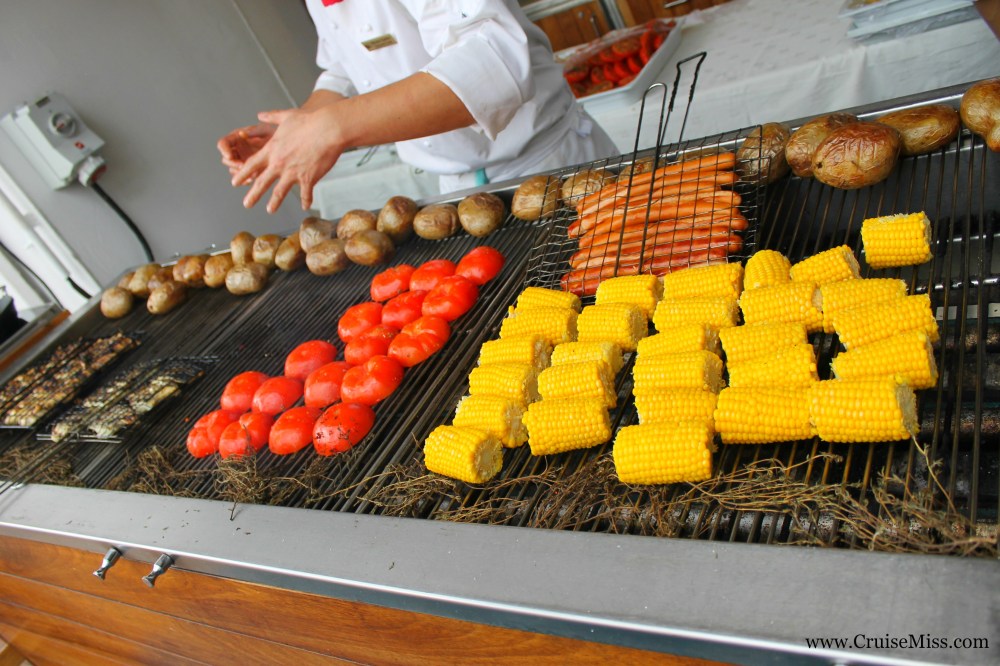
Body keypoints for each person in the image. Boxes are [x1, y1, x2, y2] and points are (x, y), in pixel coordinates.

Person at [218, 0, 618, 214]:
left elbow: (495, 63)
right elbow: (343, 69)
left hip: (552, 165)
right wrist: (300, 127)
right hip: (456, 192)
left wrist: (333, 128)